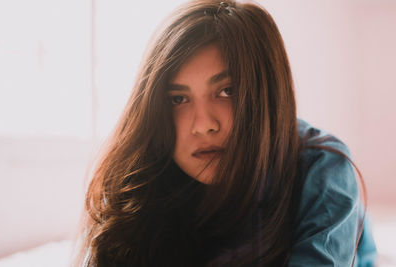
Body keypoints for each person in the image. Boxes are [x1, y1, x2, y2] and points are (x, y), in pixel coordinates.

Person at [73, 0, 377, 266]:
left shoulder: (322, 166)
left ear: (266, 96)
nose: (203, 124)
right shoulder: (142, 176)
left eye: (226, 91)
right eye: (178, 99)